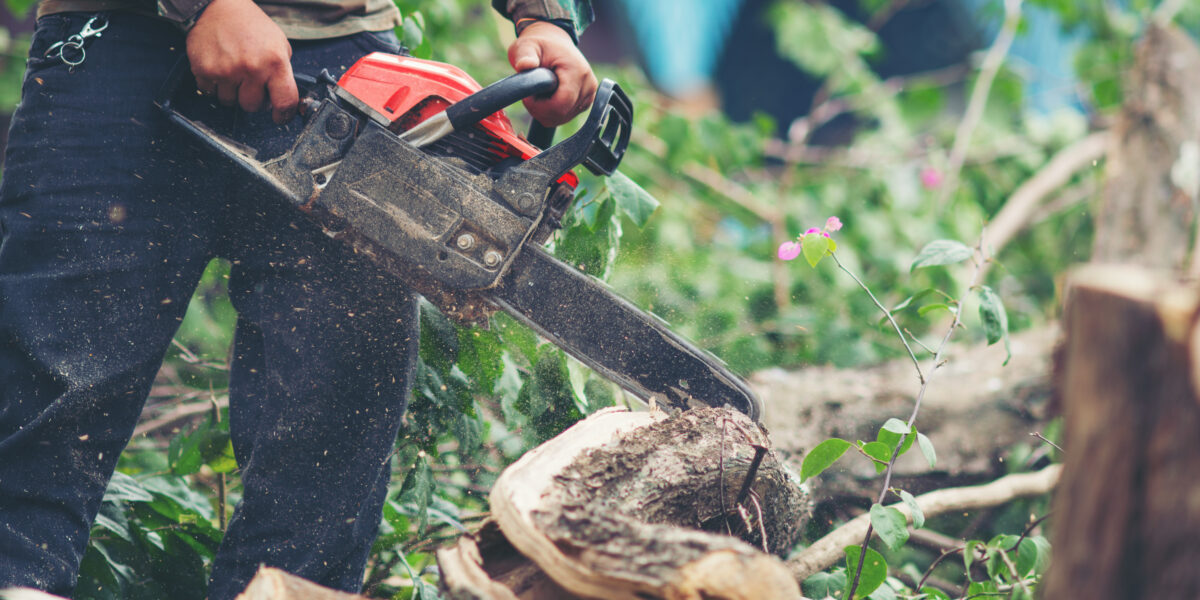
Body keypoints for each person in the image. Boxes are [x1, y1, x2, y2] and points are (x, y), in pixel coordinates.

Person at [0, 0, 596, 597]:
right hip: (118, 40)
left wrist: (545, 19)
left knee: (325, 456)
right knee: (47, 407)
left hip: (348, 66)